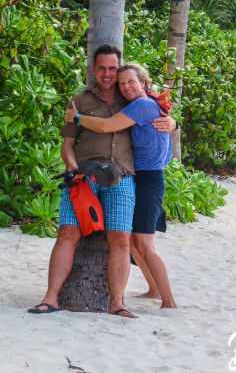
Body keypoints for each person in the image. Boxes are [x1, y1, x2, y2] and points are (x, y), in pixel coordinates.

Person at [28, 45, 175, 318]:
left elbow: (158, 111)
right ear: (93, 70)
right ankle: (50, 297)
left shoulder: (130, 98)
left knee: (120, 238)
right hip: (84, 174)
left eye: (112, 69)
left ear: (118, 69)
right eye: (101, 68)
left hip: (122, 176)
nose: (108, 74)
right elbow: (67, 145)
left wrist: (174, 123)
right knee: (67, 233)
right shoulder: (79, 101)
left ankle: (117, 302)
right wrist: (74, 170)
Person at [65, 62, 177, 309]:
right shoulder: (148, 105)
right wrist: (173, 124)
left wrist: (78, 118)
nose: (126, 87)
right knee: (136, 243)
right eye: (122, 83)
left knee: (145, 245)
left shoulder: (144, 105)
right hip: (144, 176)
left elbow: (106, 126)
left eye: (131, 82)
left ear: (143, 83)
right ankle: (154, 289)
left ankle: (169, 300)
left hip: (149, 179)